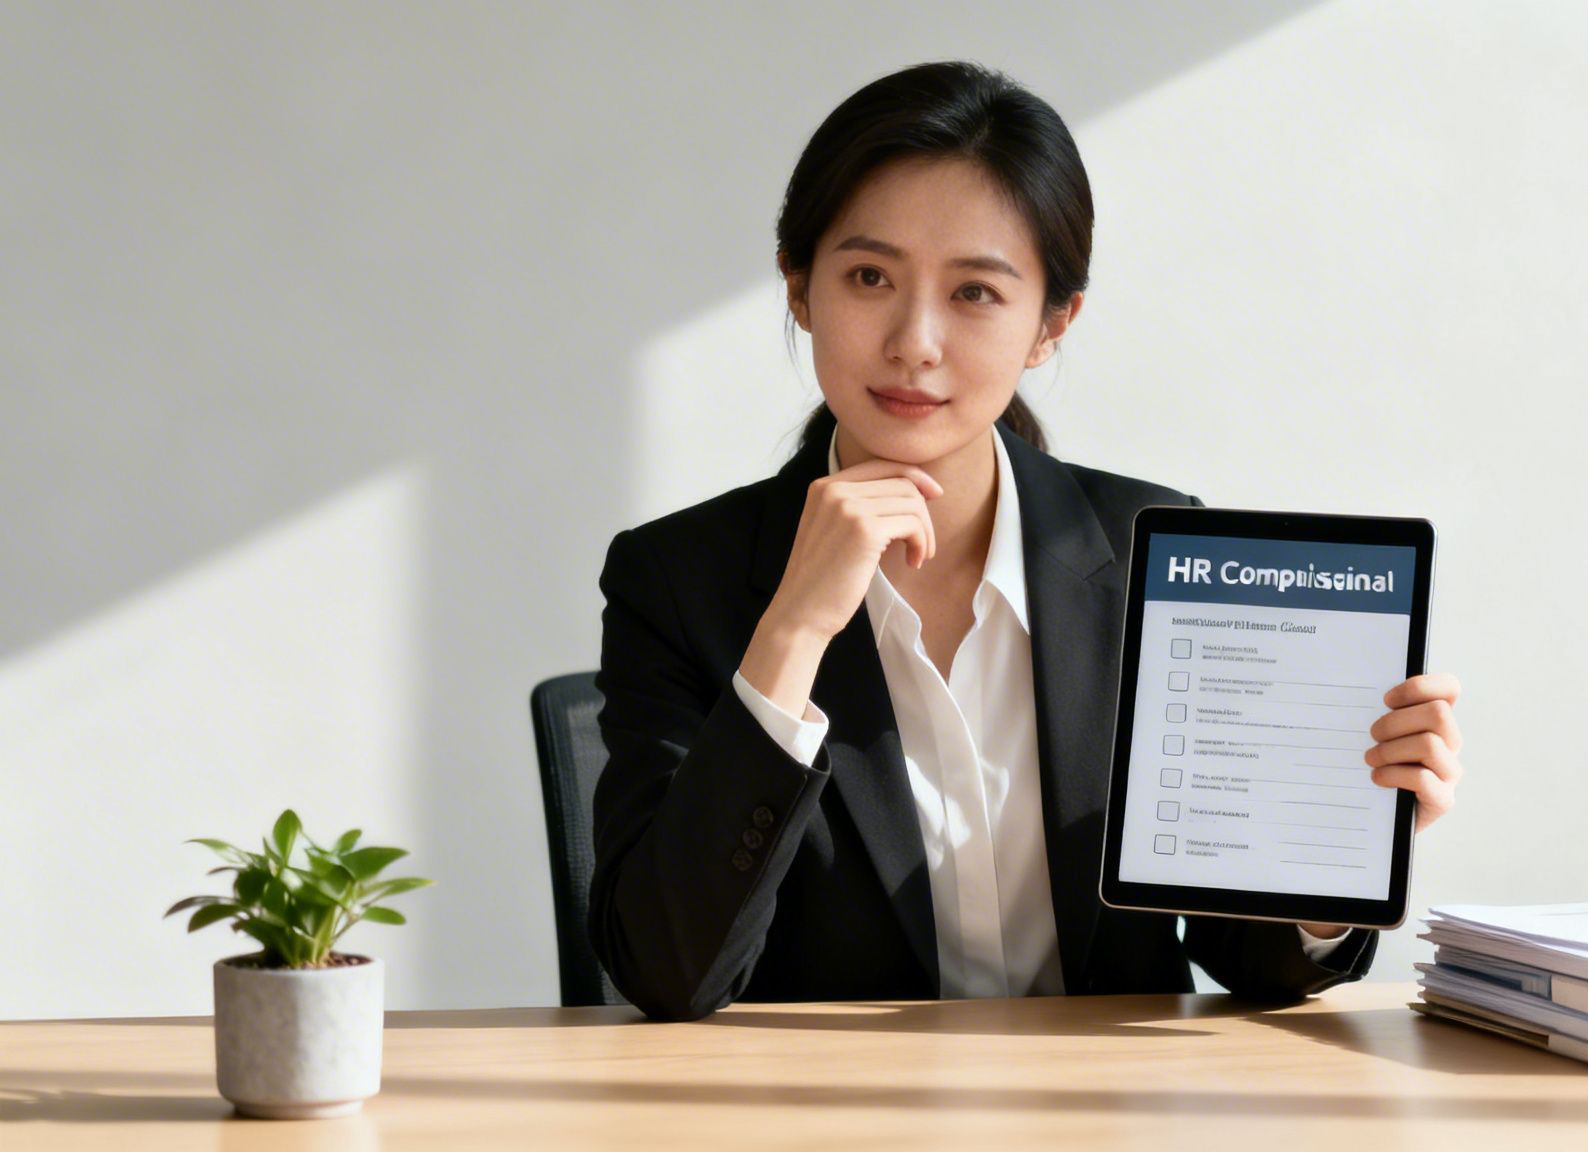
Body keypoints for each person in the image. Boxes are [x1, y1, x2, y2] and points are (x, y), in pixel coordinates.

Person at [589, 61, 1465, 1022]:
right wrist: (790, 634)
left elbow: (1252, 962)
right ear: (799, 289)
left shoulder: (1153, 554)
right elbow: (668, 973)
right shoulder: (676, 580)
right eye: (869, 276)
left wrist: (1329, 850)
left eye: (975, 293)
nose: (916, 341)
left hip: (1105, 1114)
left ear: (1051, 325)